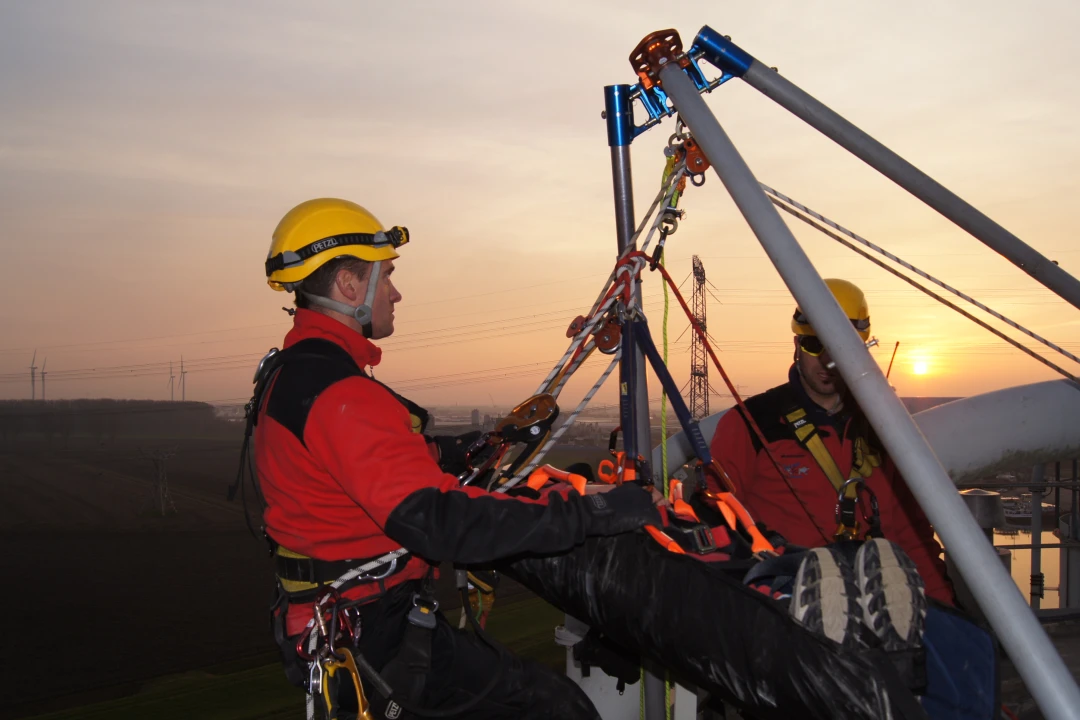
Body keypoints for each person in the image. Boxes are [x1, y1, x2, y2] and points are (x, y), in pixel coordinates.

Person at [251, 198, 662, 719]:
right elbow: (441, 521)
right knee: (556, 708)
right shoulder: (341, 395)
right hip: (373, 630)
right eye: (387, 276)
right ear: (350, 288)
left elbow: (378, 463)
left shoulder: (299, 374)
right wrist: (593, 514)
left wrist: (479, 445)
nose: (396, 293)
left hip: (345, 622)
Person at [708, 278, 954, 609]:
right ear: (796, 344)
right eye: (814, 345)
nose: (827, 361)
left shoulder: (886, 429)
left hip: (882, 608)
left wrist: (945, 613)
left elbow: (914, 536)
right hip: (790, 610)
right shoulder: (750, 425)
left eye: (841, 347)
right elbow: (717, 521)